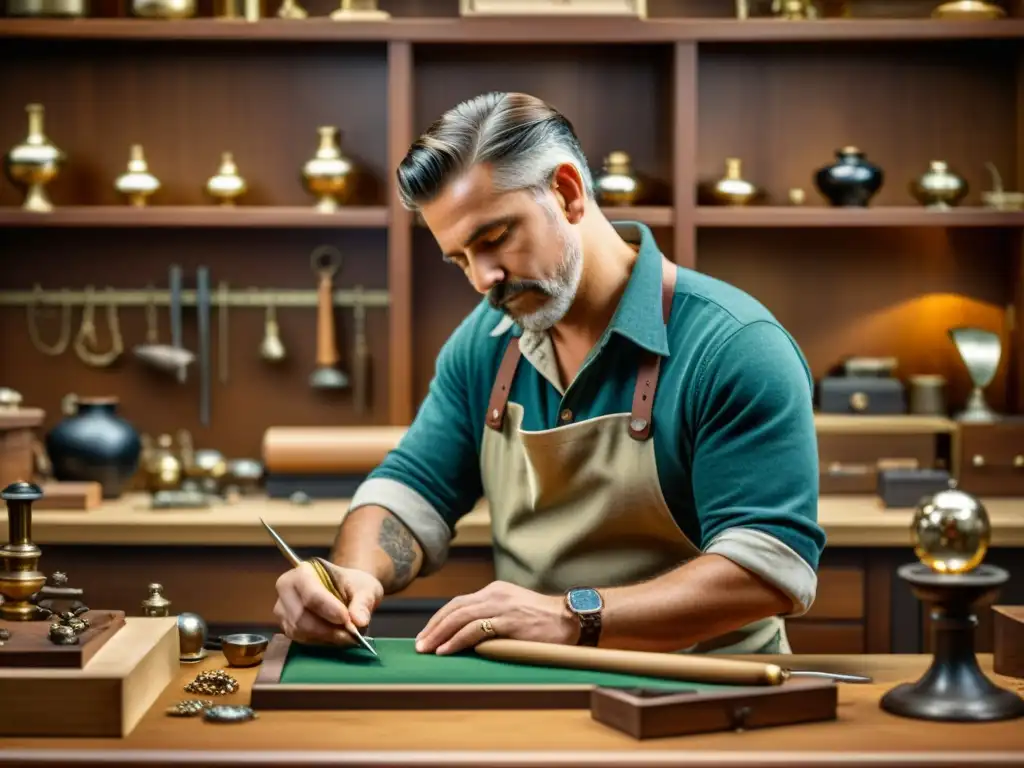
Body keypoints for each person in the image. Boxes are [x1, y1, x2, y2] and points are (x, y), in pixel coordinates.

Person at [273, 91, 826, 656]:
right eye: (460, 258)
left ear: (566, 192)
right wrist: (353, 574)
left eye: (493, 240)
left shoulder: (734, 346)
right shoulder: (484, 344)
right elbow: (414, 487)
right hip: (540, 686)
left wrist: (569, 616)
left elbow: (768, 569)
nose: (483, 279)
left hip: (709, 696)